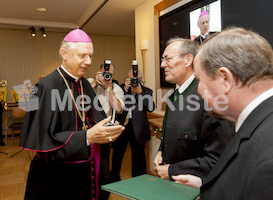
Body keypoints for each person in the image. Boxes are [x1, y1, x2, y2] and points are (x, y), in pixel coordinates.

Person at [19, 28, 125, 200]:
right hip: (57, 177)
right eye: (82, 56)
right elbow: (44, 141)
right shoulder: (45, 86)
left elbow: (94, 121)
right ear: (64, 54)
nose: (88, 61)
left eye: (90, 56)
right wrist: (87, 137)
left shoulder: (85, 84)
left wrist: (107, 129)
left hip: (86, 171)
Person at [172, 27, 273, 199]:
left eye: (199, 80)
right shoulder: (259, 122)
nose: (198, 91)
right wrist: (206, 186)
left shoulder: (267, 161)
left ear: (225, 79)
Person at [154, 38, 234, 181]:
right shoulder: (174, 94)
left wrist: (172, 170)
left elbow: (219, 158)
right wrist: (161, 152)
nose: (162, 64)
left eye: (168, 59)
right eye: (162, 59)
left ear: (188, 60)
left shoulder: (210, 97)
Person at [88, 61, 124, 200]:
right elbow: (79, 99)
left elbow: (118, 109)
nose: (108, 76)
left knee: (103, 168)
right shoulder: (90, 83)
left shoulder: (116, 89)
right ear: (99, 72)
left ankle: (103, 196)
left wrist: (109, 89)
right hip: (87, 129)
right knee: (87, 165)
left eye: (111, 74)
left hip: (104, 132)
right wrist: (95, 83)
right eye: (105, 73)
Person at [110, 70, 155, 182]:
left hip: (138, 128)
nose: (134, 82)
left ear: (141, 80)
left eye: (136, 79)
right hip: (122, 126)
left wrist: (139, 92)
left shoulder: (146, 91)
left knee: (139, 155)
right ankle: (114, 178)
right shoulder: (120, 89)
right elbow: (117, 105)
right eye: (131, 79)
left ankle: (139, 180)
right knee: (117, 153)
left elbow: (150, 107)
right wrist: (125, 89)